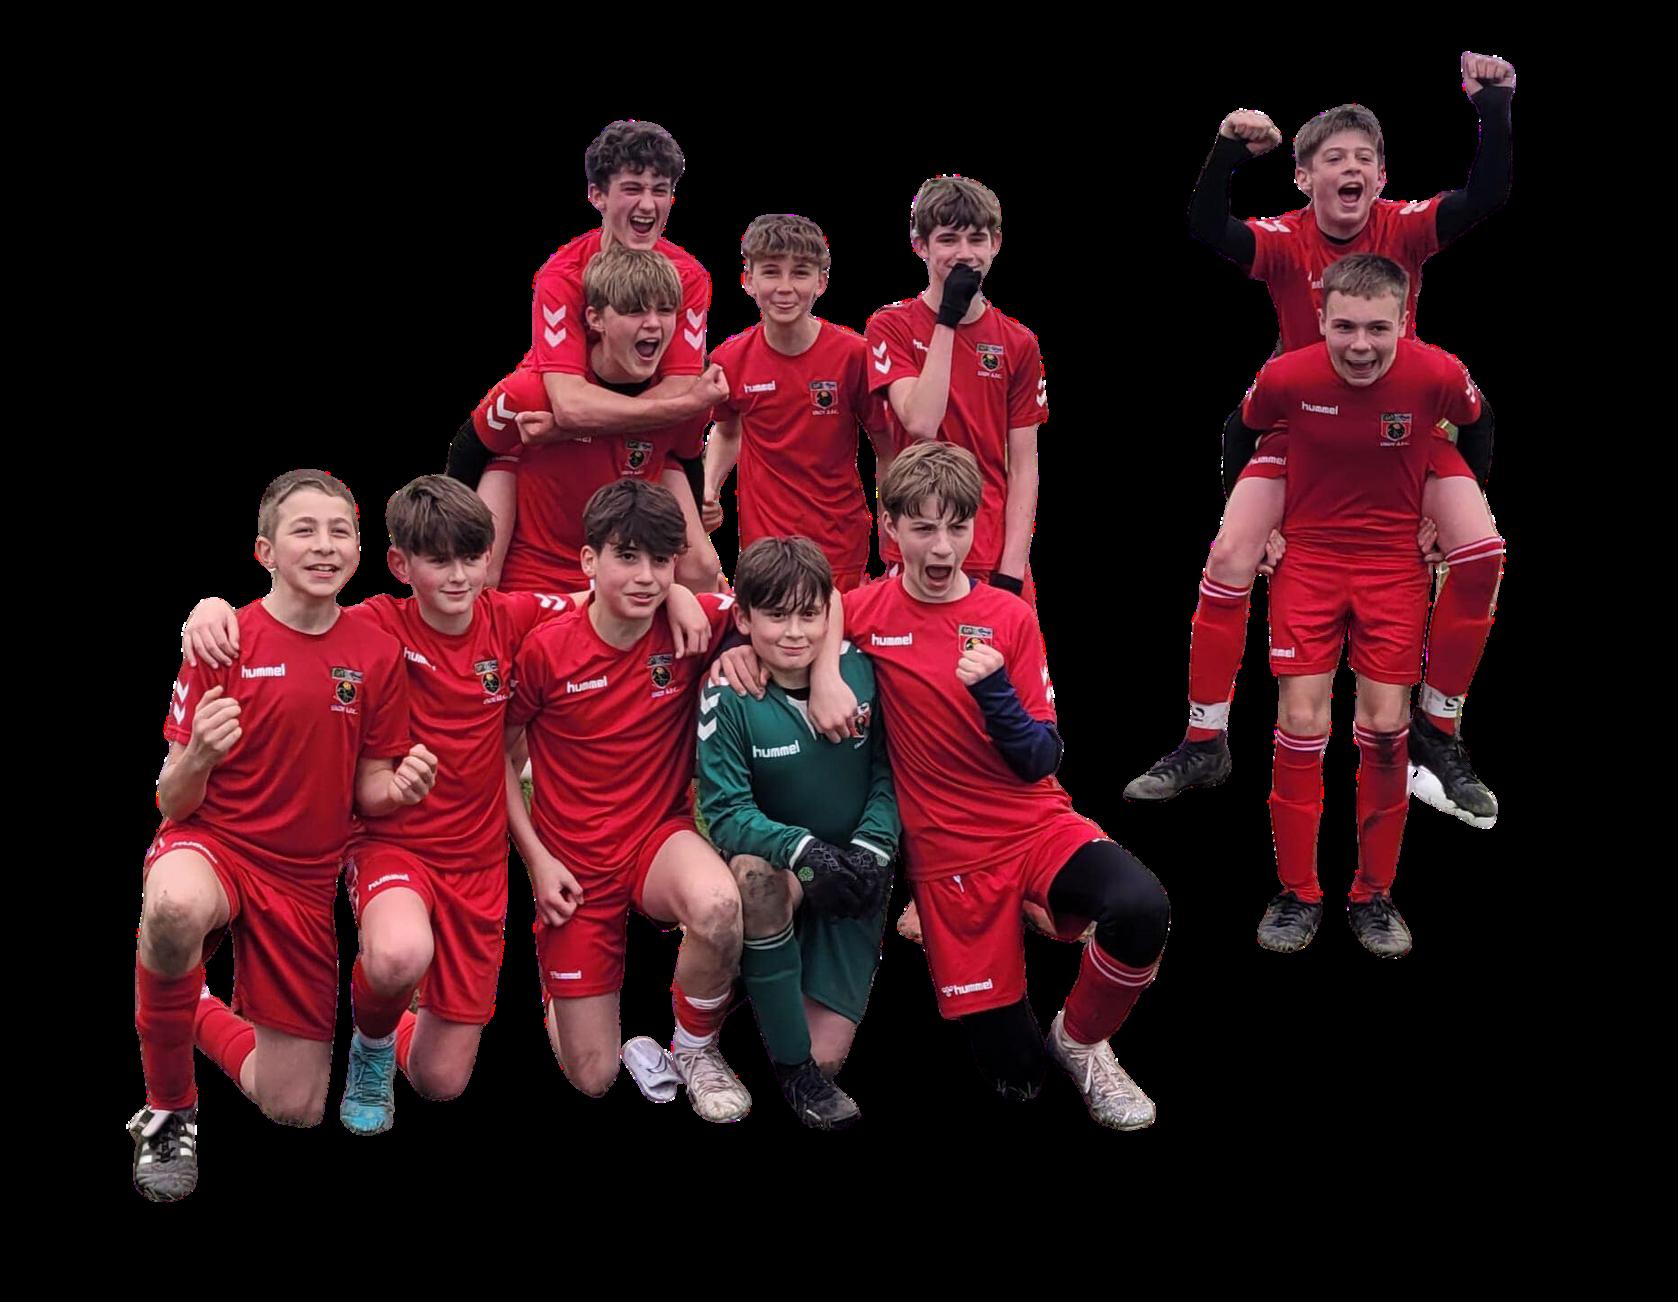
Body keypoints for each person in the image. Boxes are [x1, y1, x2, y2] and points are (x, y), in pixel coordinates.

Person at [176, 475, 713, 1136]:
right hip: (391, 841)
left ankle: (384, 1027)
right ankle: (360, 1045)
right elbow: (288, 619)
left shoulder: (512, 617)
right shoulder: (372, 623)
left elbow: (604, 591)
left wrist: (680, 592)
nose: (458, 576)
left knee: (441, 1081)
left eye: (471, 558)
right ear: (401, 565)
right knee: (400, 952)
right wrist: (210, 607)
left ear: (489, 558)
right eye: (438, 560)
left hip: (477, 863)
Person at [725, 444, 1169, 1129]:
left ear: (975, 526)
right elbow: (800, 614)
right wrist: (747, 656)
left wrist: (995, 694)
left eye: (957, 527)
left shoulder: (1010, 617)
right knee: (1019, 1080)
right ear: (889, 527)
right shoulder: (863, 612)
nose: (942, 546)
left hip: (1033, 824)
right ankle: (994, 934)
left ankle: (1083, 1042)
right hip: (949, 859)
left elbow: (1040, 758)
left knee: (1141, 908)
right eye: (923, 527)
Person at [1127, 52, 1514, 828]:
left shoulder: (1404, 226)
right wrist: (1228, 150)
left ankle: (1439, 734)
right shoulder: (1284, 240)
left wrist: (1494, 105)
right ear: (1303, 177)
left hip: (1401, 430)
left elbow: (1486, 196)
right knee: (1230, 557)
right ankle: (1204, 740)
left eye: (1365, 157)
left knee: (1481, 553)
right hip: (1303, 427)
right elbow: (1207, 227)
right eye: (1334, 157)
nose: (1352, 168)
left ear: (1382, 176)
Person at [132, 471, 429, 1200]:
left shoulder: (376, 653)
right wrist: (200, 755)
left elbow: (369, 786)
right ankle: (168, 1111)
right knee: (171, 909)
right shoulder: (221, 638)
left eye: (340, 531)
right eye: (304, 530)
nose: (324, 545)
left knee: (290, 1106)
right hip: (215, 844)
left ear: (358, 549)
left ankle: (190, 1004)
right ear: (265, 550)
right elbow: (171, 796)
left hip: (302, 879)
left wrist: (400, 789)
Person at [1242, 255, 1485, 958]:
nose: (1359, 344)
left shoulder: (1438, 373)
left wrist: (1449, 507)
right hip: (1309, 560)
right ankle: (1297, 893)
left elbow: (1478, 426)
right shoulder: (1286, 376)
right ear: (1320, 320)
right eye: (1344, 326)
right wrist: (1259, 525)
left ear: (1403, 322)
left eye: (1377, 328)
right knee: (1300, 721)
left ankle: (1373, 895)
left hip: (1394, 565)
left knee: (1383, 729)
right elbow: (1240, 431)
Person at [505, 479, 750, 1121]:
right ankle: (564, 990)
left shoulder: (693, 622)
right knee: (593, 1078)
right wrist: (537, 861)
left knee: (720, 906)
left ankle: (695, 1048)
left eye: (661, 561)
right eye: (628, 557)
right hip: (574, 864)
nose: (645, 577)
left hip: (657, 838)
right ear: (589, 560)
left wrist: (690, 600)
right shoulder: (545, 649)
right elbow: (499, 759)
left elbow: (812, 598)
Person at [440, 119, 724, 588]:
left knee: (704, 569)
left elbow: (675, 390)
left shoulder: (689, 275)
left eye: (660, 190)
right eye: (632, 188)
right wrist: (570, 422)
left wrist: (571, 430)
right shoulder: (562, 274)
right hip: (541, 407)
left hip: (603, 426)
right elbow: (571, 401)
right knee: (478, 571)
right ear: (597, 195)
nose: (648, 205)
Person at [696, 536, 898, 1128]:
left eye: (809, 615)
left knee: (829, 1053)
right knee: (752, 883)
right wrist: (801, 849)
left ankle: (758, 986)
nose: (794, 633)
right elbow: (726, 811)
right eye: (776, 616)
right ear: (743, 619)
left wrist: (871, 849)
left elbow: (891, 772)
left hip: (853, 868)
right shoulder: (728, 692)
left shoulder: (862, 671)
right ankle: (793, 1072)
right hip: (785, 866)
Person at [864, 175, 1048, 605]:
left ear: (995, 243)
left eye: (976, 239)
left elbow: (1024, 466)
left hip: (990, 549)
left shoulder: (1018, 342)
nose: (964, 253)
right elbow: (921, 421)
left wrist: (1012, 568)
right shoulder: (891, 326)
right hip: (917, 542)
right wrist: (948, 317)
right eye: (948, 239)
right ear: (921, 246)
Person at [701, 214, 887, 593]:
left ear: (821, 281)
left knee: (835, 632)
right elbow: (727, 430)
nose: (785, 288)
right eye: (771, 272)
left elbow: (887, 447)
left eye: (800, 273)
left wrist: (894, 517)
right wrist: (707, 487)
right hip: (763, 546)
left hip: (838, 543)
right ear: (748, 280)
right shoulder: (729, 359)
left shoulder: (854, 355)